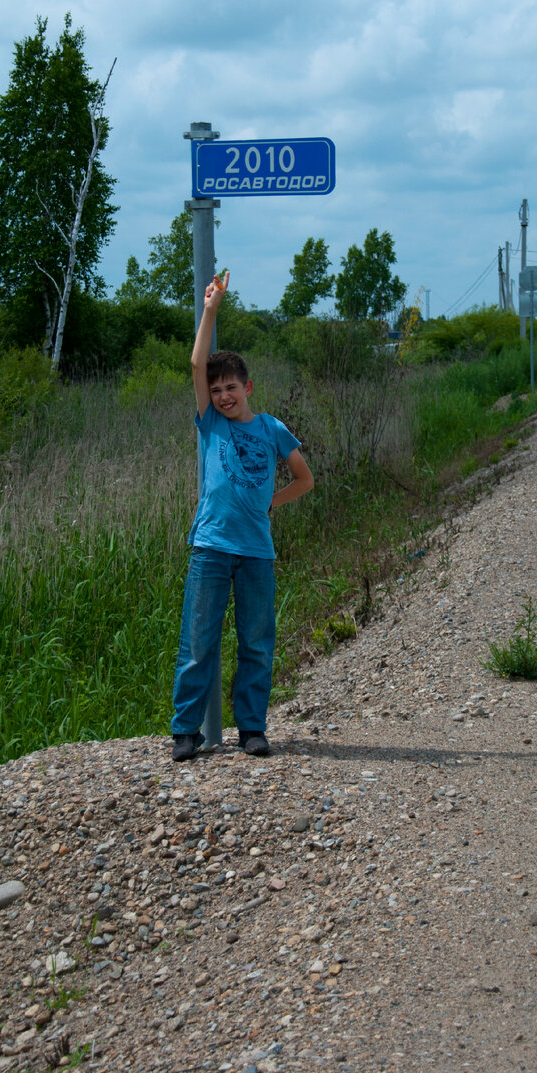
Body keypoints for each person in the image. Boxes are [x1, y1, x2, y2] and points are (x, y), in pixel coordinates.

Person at [170, 271, 314, 761]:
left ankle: (252, 728)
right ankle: (185, 732)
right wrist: (211, 307)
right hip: (211, 547)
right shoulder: (209, 423)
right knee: (198, 642)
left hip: (256, 553)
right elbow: (195, 362)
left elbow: (304, 478)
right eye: (216, 390)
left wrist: (269, 503)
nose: (223, 396)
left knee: (256, 641)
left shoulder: (273, 429)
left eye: (230, 387)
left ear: (247, 386)